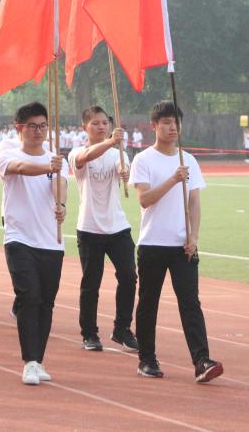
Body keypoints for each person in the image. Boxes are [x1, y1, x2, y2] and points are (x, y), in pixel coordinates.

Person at [130, 101, 223, 383]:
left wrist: (194, 236)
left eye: (176, 122)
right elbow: (144, 199)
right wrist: (173, 179)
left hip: (182, 246)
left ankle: (201, 360)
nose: (173, 128)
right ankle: (147, 359)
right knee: (148, 303)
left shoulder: (188, 160)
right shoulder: (143, 160)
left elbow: (194, 202)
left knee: (190, 303)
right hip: (153, 244)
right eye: (167, 122)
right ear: (154, 126)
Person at [0, 101, 67, 386]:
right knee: (29, 297)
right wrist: (47, 167)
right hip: (19, 238)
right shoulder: (7, 153)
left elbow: (61, 185)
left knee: (46, 303)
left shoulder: (55, 159)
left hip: (51, 240)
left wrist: (61, 203)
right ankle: (29, 362)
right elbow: (21, 168)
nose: (38, 131)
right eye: (32, 126)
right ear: (19, 128)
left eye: (42, 126)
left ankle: (38, 360)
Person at [69, 106, 138, 353]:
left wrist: (124, 171)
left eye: (104, 123)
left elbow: (123, 171)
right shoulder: (77, 152)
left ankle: (122, 329)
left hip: (118, 227)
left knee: (129, 276)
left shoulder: (118, 153)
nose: (101, 127)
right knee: (91, 283)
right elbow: (84, 158)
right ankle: (89, 333)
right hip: (89, 228)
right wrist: (111, 142)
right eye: (95, 123)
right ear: (85, 127)